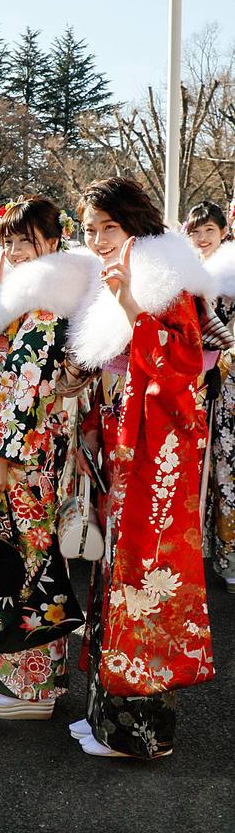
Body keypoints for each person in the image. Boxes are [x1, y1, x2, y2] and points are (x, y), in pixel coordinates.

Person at [67, 177, 214, 759]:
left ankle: (141, 733)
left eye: (109, 226)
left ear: (135, 224)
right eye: (90, 229)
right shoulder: (122, 275)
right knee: (118, 575)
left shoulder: (161, 280)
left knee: (144, 579)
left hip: (159, 456)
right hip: (130, 449)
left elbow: (184, 364)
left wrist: (131, 307)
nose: (99, 238)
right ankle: (109, 715)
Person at [0, 197, 98, 719]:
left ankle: (32, 686)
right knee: (20, 558)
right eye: (12, 240)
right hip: (24, 449)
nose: (18, 250)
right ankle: (23, 677)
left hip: (24, 454)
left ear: (54, 241)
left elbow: (25, 389)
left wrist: (1, 454)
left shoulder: (45, 305)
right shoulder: (31, 299)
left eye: (29, 240)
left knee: (26, 560)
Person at [186, 201, 235, 587]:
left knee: (226, 468)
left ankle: (227, 558)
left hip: (227, 381)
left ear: (224, 233)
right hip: (193, 382)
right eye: (196, 232)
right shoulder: (187, 274)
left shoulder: (230, 272)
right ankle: (199, 553)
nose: (203, 239)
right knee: (196, 465)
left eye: (210, 232)